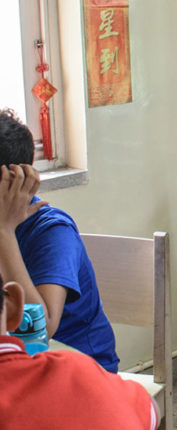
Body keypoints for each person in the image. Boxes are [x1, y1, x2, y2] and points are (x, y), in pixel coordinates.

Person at [0, 109, 119, 372]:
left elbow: (40, 333)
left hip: (79, 371)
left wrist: (4, 233)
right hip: (15, 364)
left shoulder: (52, 232)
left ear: (14, 182)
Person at [0, 271, 158, 429]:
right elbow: (149, 408)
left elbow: (48, 322)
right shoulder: (75, 372)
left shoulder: (57, 249)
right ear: (14, 305)